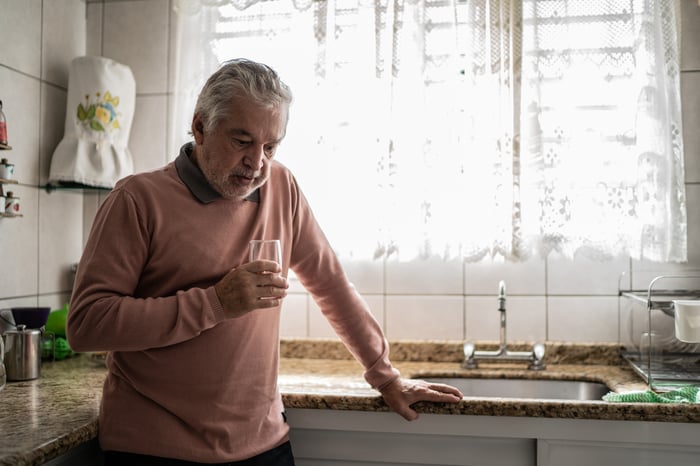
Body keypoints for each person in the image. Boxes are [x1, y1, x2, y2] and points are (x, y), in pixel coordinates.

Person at [67, 58, 463, 466]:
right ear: (200, 127)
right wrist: (215, 303)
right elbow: (86, 325)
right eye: (242, 142)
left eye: (270, 146)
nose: (257, 163)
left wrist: (385, 376)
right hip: (153, 449)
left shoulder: (282, 186)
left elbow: (329, 282)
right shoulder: (136, 199)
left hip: (262, 446)